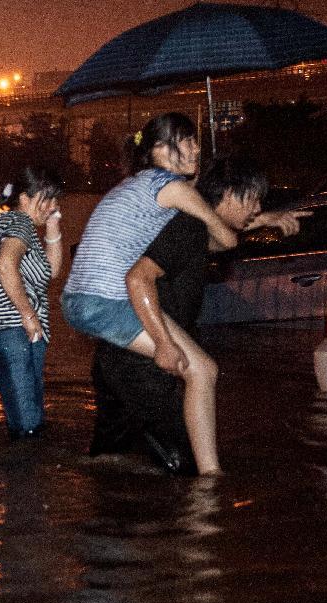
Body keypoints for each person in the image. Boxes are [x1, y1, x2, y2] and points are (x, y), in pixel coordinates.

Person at [90, 154, 310, 473]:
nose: (258, 208)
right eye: (254, 200)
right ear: (231, 193)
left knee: (108, 465)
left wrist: (261, 222)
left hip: (117, 359)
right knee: (183, 466)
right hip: (137, 367)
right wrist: (165, 343)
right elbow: (137, 278)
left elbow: (205, 246)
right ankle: (207, 501)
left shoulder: (191, 225)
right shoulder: (186, 225)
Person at [62, 112, 241, 476]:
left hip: (77, 299)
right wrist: (163, 344)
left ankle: (138, 453)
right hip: (107, 301)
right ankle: (211, 479)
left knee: (191, 372)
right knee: (203, 371)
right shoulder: (173, 188)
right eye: (186, 140)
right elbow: (224, 238)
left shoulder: (131, 186)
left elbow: (187, 237)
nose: (196, 148)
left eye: (195, 140)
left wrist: (258, 220)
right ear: (159, 148)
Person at [0, 166, 63, 440]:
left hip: (18, 337)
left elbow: (51, 271)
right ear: (25, 199)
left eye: (55, 199)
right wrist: (28, 315)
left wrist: (52, 227)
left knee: (28, 425)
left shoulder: (13, 225)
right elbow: (6, 266)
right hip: (14, 334)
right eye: (47, 198)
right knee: (28, 429)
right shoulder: (20, 223)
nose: (54, 205)